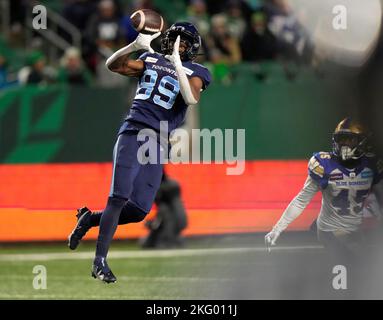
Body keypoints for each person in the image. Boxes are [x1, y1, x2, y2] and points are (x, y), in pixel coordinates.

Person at [68, 22, 212, 283]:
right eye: (176, 40)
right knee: (118, 197)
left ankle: (90, 219)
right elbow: (114, 65)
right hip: (134, 130)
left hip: (158, 143)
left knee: (138, 211)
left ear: (192, 48)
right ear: (167, 41)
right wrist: (134, 46)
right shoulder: (151, 59)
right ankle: (99, 261)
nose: (179, 45)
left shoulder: (198, 70)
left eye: (184, 42)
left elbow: (190, 97)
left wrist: (177, 63)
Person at [265, 118, 383, 262]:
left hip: (354, 229)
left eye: (350, 140)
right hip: (330, 230)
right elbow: (301, 201)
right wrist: (277, 229)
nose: (344, 145)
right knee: (357, 262)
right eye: (341, 139)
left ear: (362, 142)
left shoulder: (371, 165)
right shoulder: (324, 164)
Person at [141, 172, 187, 249]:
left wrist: (152, 224)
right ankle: (175, 239)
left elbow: (158, 222)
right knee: (146, 242)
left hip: (172, 224)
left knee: (153, 243)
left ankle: (172, 239)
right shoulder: (173, 187)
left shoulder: (164, 206)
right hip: (179, 220)